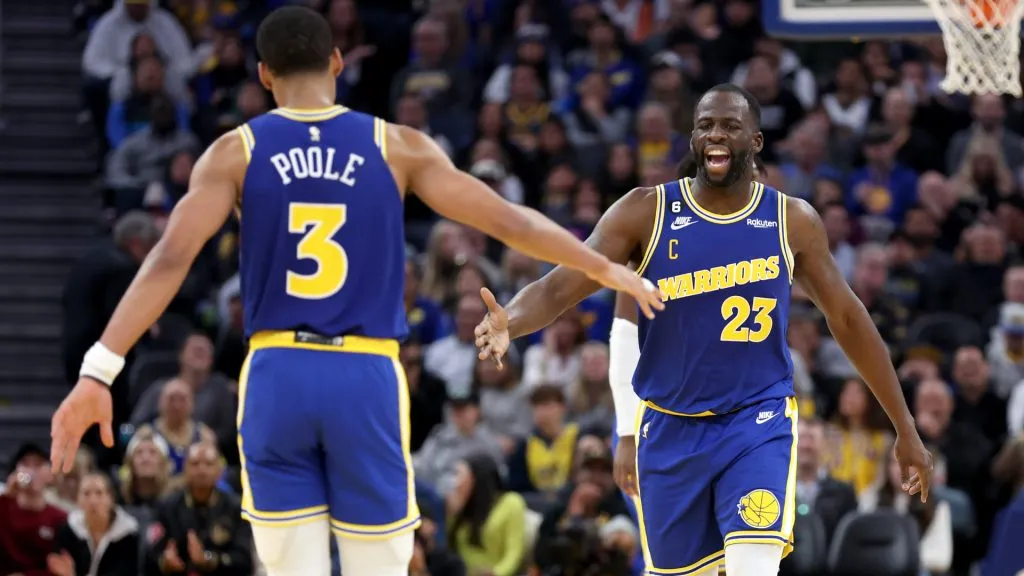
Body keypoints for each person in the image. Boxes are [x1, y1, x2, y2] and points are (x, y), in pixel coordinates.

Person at [49, 6, 662, 576]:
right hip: (362, 373)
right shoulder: (394, 145)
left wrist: (97, 371)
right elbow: (508, 220)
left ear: (263, 75)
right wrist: (600, 266)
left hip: (275, 371)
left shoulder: (234, 152)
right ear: (338, 63)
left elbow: (169, 259)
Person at [474, 84, 934, 576]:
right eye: (705, 125)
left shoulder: (791, 220)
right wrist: (510, 321)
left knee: (753, 566)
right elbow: (559, 287)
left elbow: (848, 319)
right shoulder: (645, 212)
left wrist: (905, 427)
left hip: (756, 421)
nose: (716, 134)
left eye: (730, 126)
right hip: (669, 427)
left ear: (755, 141)